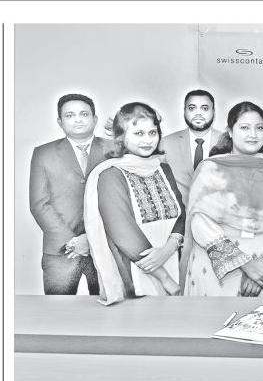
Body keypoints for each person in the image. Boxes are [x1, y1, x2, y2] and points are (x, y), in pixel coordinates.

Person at [181, 101, 263, 297]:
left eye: (259, 128)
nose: (253, 134)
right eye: (244, 128)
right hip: (219, 271)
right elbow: (199, 221)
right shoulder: (210, 168)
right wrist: (245, 264)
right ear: (230, 131)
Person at [84, 102, 185, 305]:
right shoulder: (111, 174)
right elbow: (122, 231)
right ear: (120, 137)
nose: (147, 140)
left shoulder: (163, 169)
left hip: (173, 260)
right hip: (136, 271)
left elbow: (181, 213)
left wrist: (168, 249)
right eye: (139, 133)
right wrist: (165, 278)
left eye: (152, 132)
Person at [29, 93, 111, 295]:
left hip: (106, 246)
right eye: (70, 115)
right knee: (57, 309)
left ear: (95, 119)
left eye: (84, 114)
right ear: (60, 121)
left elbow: (124, 200)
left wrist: (93, 238)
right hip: (61, 249)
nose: (78, 119)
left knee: (109, 307)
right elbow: (39, 204)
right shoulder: (43, 153)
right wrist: (72, 241)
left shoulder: (114, 149)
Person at [160, 89, 223, 206]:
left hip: (219, 214)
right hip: (180, 215)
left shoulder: (229, 143)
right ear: (184, 111)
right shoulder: (166, 143)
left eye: (205, 108)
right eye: (192, 108)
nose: (198, 114)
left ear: (213, 111)